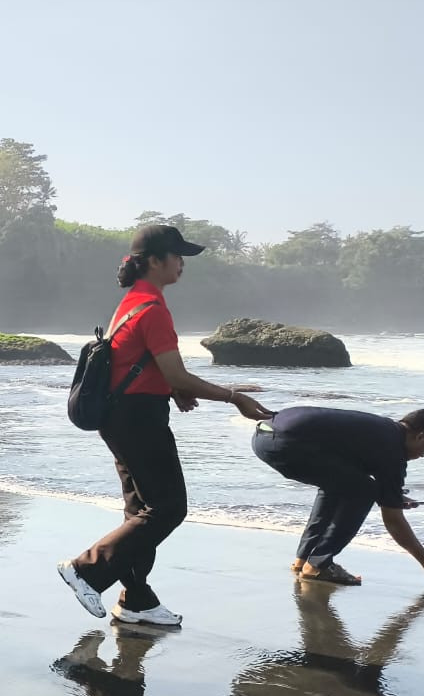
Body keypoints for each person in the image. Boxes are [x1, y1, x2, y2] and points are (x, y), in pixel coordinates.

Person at [58, 224, 274, 628]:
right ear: (154, 261)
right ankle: (86, 569)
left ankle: (137, 600)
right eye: (177, 256)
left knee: (140, 509)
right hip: (138, 417)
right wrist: (234, 396)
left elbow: (139, 363)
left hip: (122, 414)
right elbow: (176, 372)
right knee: (168, 508)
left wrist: (171, 389)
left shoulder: (132, 302)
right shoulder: (154, 310)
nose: (182, 264)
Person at [251, 406, 424, 587]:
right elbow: (393, 520)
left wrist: (392, 496)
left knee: (341, 484)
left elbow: (349, 473)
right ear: (420, 436)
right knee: (365, 489)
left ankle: (304, 559)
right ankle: (318, 564)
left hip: (264, 435)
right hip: (288, 444)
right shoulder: (393, 452)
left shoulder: (383, 431)